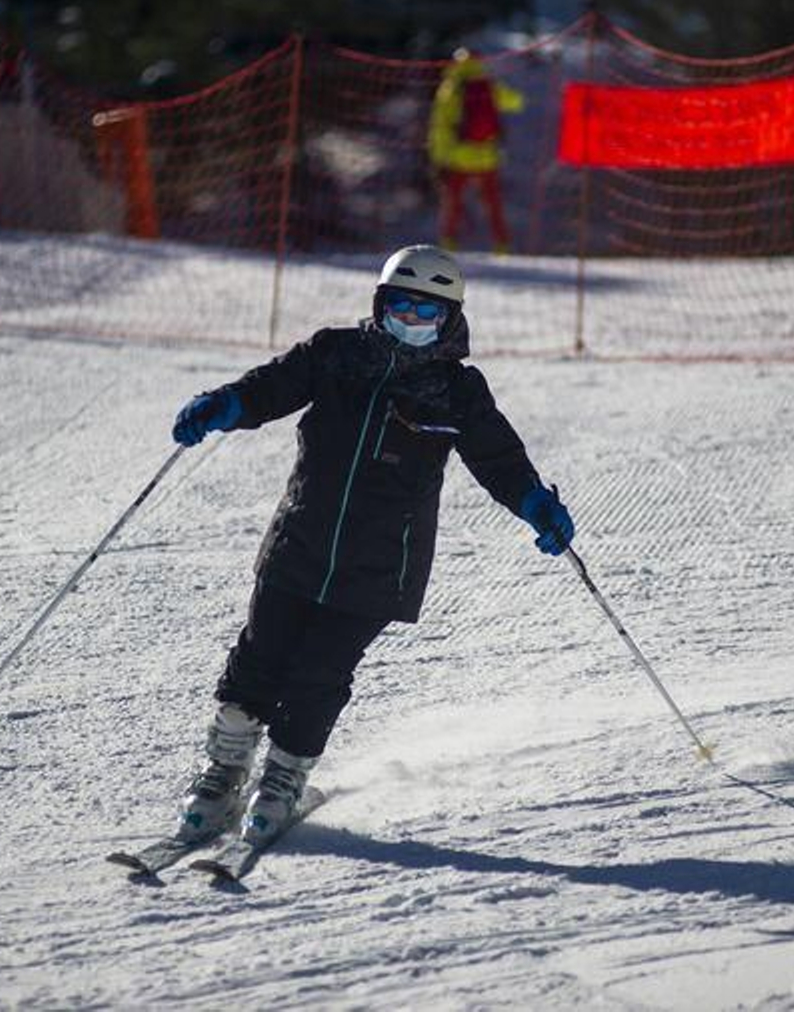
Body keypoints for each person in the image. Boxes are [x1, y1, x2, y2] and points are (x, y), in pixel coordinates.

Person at [169, 244, 575, 843]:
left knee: (319, 674)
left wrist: (534, 501)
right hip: (300, 542)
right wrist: (225, 404)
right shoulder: (334, 354)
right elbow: (271, 388)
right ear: (380, 304)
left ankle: (281, 779)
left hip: (382, 566)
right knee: (259, 656)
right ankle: (222, 775)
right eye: (401, 307)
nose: (411, 321)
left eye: (427, 312)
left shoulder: (456, 390)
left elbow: (499, 457)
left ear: (450, 320)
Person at [427, 48, 524, 254]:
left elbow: (441, 126)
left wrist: (439, 156)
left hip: (459, 157)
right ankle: (502, 245)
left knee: (453, 203)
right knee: (493, 204)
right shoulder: (488, 85)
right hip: (487, 156)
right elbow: (516, 102)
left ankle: (449, 245)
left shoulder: (450, 89)